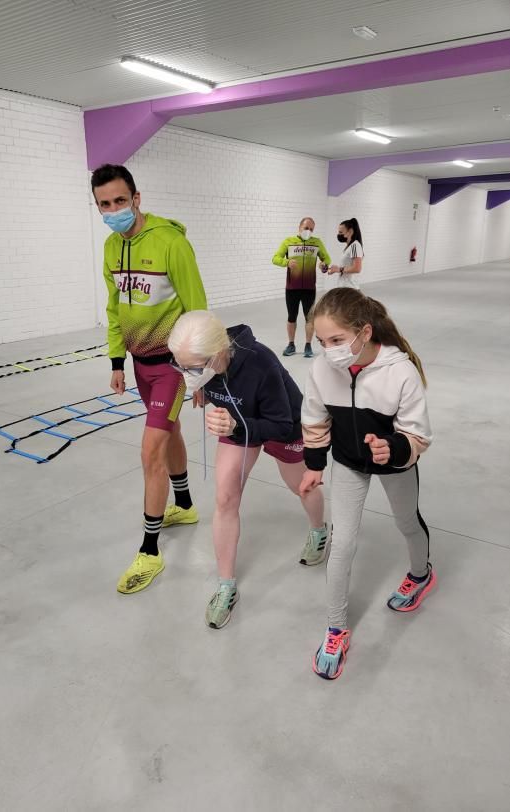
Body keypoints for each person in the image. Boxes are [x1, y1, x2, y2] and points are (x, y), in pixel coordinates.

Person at [299, 288, 435, 680]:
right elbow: (314, 418)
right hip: (347, 463)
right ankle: (336, 628)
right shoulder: (323, 369)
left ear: (365, 332)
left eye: (337, 341)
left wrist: (391, 448)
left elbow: (418, 434)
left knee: (407, 522)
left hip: (393, 463)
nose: (329, 351)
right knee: (341, 542)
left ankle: (421, 574)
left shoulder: (401, 371)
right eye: (322, 342)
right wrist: (313, 463)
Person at [168, 310, 328, 630]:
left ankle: (319, 530)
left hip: (283, 425)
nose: (186, 375)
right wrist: (200, 385)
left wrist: (235, 422)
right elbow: (202, 377)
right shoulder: (203, 365)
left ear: (218, 355)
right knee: (225, 499)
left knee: (301, 486)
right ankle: (226, 586)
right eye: (179, 366)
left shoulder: (261, 364)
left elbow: (281, 426)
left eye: (193, 368)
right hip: (238, 426)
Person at [92, 164, 207, 594]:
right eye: (104, 204)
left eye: (120, 201)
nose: (113, 210)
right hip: (139, 365)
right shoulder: (109, 247)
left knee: (149, 452)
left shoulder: (170, 242)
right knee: (169, 432)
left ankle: (150, 550)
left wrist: (201, 374)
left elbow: (197, 307)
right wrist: (117, 361)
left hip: (172, 367)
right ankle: (186, 505)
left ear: (136, 198)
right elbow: (114, 307)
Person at [272, 217, 331, 358]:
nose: (308, 231)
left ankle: (308, 345)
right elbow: (275, 258)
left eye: (311, 229)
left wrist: (324, 265)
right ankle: (291, 345)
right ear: (299, 227)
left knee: (309, 318)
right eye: (306, 228)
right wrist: (286, 262)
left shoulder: (316, 243)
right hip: (292, 288)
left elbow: (326, 259)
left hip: (309, 288)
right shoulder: (288, 242)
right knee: (292, 317)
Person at [325, 218, 364, 288]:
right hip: (343, 287)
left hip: (350, 289)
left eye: (340, 232)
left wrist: (338, 269)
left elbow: (357, 268)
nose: (338, 234)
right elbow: (347, 266)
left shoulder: (355, 245)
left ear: (350, 232)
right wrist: (334, 269)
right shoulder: (349, 247)